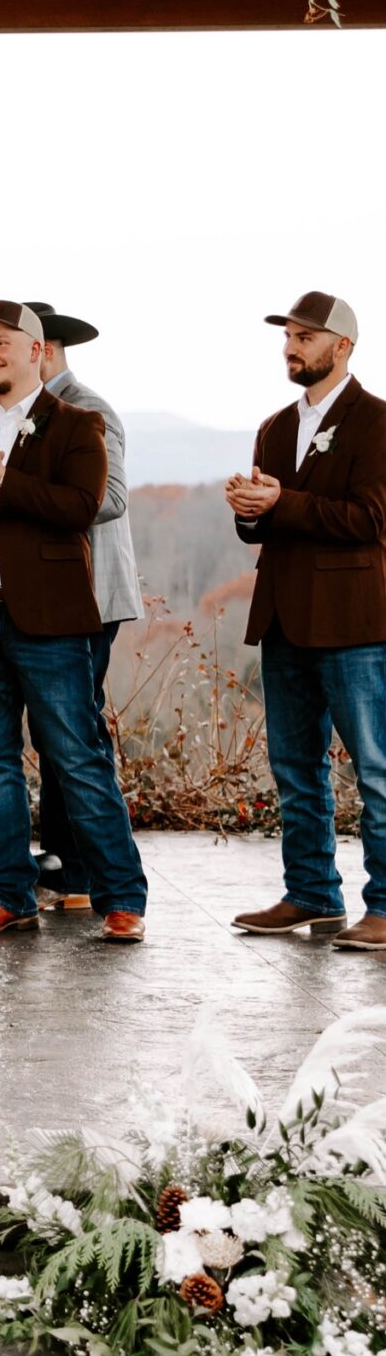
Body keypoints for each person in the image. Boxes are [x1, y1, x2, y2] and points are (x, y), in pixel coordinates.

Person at [0, 300, 148, 944]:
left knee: (78, 758)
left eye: (3, 342)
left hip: (52, 621)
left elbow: (83, 506)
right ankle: (7, 895)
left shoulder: (78, 423)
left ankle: (121, 898)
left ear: (38, 351)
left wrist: (4, 480)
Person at [226, 292, 386, 952]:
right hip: (285, 619)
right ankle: (312, 894)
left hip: (355, 625)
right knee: (296, 768)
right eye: (288, 335)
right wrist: (248, 511)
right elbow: (264, 526)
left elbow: (370, 520)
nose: (291, 346)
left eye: (306, 336)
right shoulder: (273, 427)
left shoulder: (377, 423)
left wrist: (283, 503)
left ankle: (384, 907)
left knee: (375, 770)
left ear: (342, 347)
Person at [18, 305, 145, 912]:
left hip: (90, 594)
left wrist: (19, 496)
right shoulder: (20, 413)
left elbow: (112, 499)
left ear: (44, 350)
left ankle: (81, 873)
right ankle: (68, 866)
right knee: (57, 732)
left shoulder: (89, 409)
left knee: (75, 735)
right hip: (47, 596)